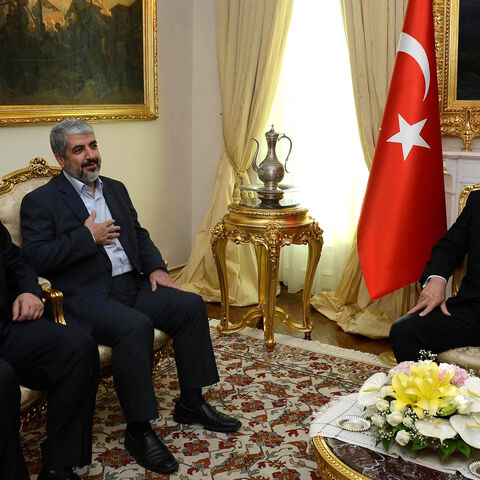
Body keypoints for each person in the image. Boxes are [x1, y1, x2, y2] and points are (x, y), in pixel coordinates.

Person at [20, 118, 241, 475]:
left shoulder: (115, 188)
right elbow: (34, 258)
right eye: (79, 150)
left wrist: (156, 268)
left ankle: (191, 401)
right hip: (87, 297)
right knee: (134, 328)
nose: (90, 156)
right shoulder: (41, 200)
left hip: (133, 285)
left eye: (92, 146)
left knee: (190, 305)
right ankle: (139, 430)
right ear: (61, 158)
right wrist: (85, 237)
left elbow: (138, 233)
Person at [0, 220, 99, 480]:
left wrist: (28, 292)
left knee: (77, 349)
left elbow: (15, 261)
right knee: (3, 378)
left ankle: (58, 466)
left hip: (5, 325)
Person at [389, 189, 480, 363]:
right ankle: (431, 388)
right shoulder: (477, 201)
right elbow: (449, 247)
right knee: (405, 331)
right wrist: (437, 279)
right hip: (473, 311)